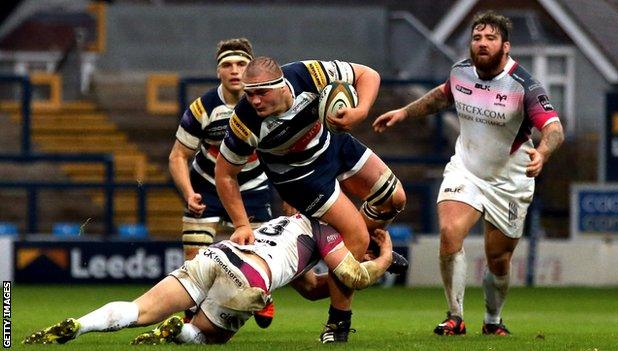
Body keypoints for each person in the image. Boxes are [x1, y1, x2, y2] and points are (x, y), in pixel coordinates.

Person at [373, 11, 564, 336]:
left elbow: (554, 128)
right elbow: (443, 95)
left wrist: (542, 153)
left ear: (506, 46)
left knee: (498, 259)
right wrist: (405, 112)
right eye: (477, 38)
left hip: (510, 179)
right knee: (449, 234)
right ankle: (455, 317)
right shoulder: (460, 72)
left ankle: (492, 320)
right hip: (466, 168)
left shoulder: (524, 85)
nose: (482, 43)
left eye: (490, 38)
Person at [215, 57, 408, 342]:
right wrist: (242, 225)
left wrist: (361, 111)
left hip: (333, 143)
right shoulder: (245, 122)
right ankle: (337, 325)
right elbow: (225, 174)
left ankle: (362, 249)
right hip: (300, 177)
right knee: (353, 236)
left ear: (282, 86)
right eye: (249, 93)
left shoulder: (309, 74)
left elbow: (368, 73)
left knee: (395, 199)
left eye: (261, 92)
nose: (254, 100)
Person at [22, 214, 393, 345]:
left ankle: (80, 325)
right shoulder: (329, 229)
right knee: (212, 337)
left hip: (217, 253)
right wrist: (386, 257)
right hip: (249, 276)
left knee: (139, 309)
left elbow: (313, 288)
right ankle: (181, 332)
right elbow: (352, 275)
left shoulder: (289, 227)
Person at [168, 38, 274, 326]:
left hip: (250, 187)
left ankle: (262, 297)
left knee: (259, 254)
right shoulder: (203, 108)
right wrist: (188, 192)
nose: (234, 70)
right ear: (218, 72)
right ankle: (192, 314)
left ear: (251, 69)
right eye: (227, 65)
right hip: (206, 186)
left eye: (241, 64)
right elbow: (178, 155)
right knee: (194, 258)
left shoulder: (266, 104)